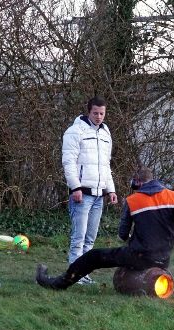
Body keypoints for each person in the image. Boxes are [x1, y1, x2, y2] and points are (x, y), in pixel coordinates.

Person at [35, 166, 174, 290]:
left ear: (138, 182)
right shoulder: (172, 196)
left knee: (94, 256)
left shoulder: (133, 200)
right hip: (163, 260)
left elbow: (122, 234)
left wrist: (132, 237)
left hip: (140, 257)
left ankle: (58, 283)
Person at [62, 96, 118, 284]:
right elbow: (68, 162)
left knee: (90, 239)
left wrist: (111, 189)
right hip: (81, 194)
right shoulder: (74, 131)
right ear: (89, 111)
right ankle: (73, 275)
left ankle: (84, 273)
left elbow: (106, 165)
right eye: (96, 113)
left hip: (98, 195)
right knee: (78, 237)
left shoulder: (105, 133)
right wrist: (75, 187)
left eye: (102, 113)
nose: (99, 116)